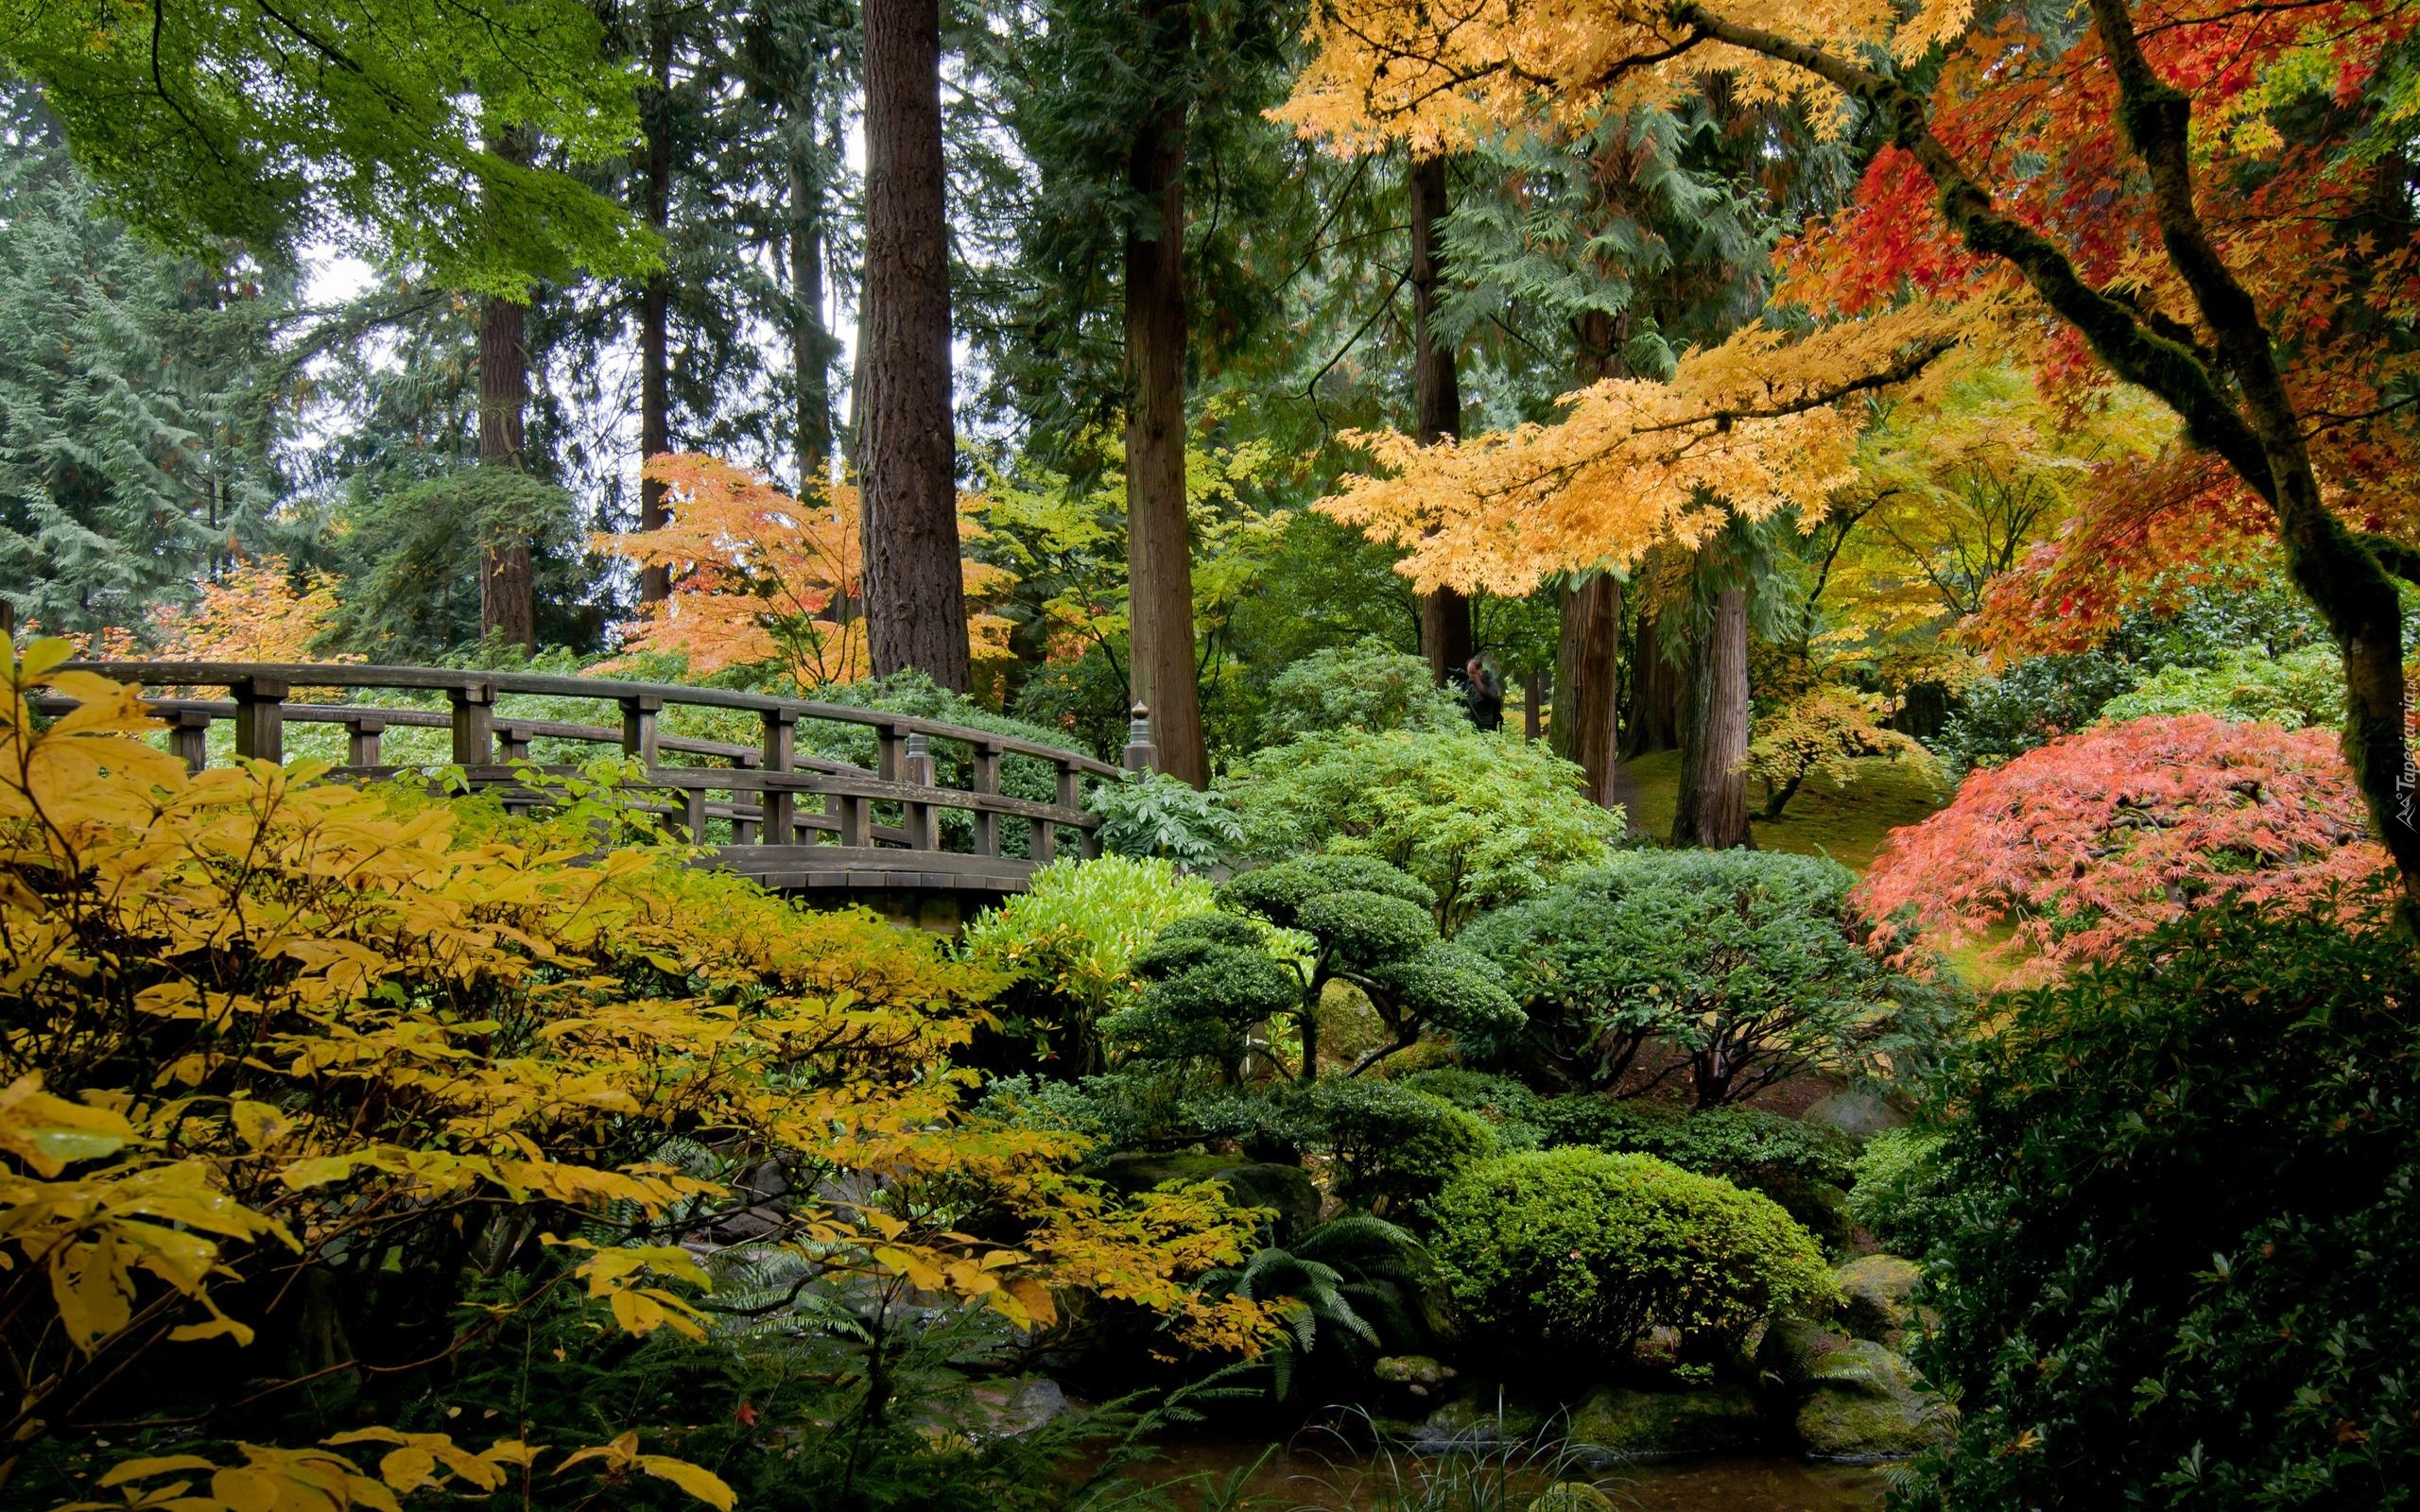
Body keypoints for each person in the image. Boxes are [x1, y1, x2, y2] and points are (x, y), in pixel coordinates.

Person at [1463, 654, 1503, 731]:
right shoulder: (1467, 685)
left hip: (1486, 724)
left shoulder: (1490, 682)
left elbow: (1493, 697)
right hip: (1469, 725)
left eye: (1473, 672)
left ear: (1480, 670)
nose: (1471, 676)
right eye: (1469, 673)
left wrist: (1477, 682)